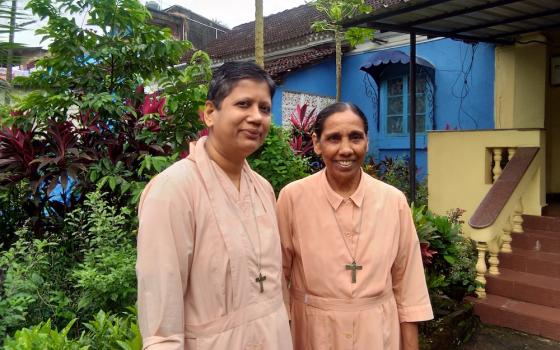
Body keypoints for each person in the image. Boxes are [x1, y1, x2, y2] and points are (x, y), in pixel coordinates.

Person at [136, 61, 292, 350]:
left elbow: (275, 290)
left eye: (265, 108)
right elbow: (161, 320)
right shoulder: (173, 190)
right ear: (210, 113)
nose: (256, 117)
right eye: (243, 104)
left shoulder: (263, 188)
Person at [277, 102, 433, 350]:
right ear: (317, 143)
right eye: (334, 138)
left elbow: (409, 287)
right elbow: (278, 278)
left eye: (355, 137)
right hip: (312, 334)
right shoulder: (292, 198)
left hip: (378, 333)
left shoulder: (393, 201)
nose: (346, 149)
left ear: (367, 142)